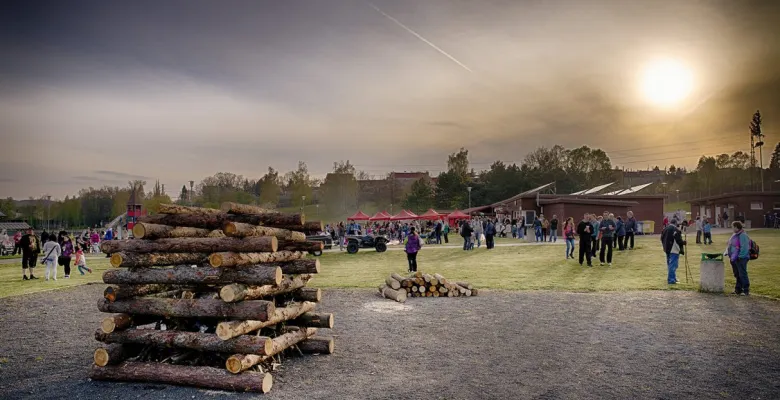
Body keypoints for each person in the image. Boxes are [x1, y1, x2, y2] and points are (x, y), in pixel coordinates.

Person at [726, 221, 751, 296]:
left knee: (742, 273)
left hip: (741, 258)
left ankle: (745, 290)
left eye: (733, 226)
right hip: (734, 258)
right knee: (737, 274)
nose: (732, 228)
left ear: (736, 227)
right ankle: (738, 289)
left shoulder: (743, 235)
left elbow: (745, 247)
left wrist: (740, 256)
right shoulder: (735, 235)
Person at [661, 219, 686, 284]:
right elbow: (678, 240)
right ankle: (671, 280)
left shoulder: (665, 229)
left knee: (670, 265)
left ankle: (673, 278)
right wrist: (683, 242)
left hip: (667, 249)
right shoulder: (675, 229)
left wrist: (664, 246)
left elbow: (661, 238)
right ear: (675, 223)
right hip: (674, 249)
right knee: (673, 265)